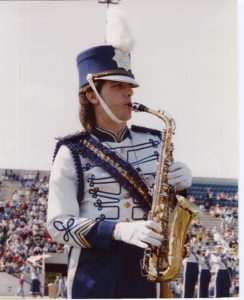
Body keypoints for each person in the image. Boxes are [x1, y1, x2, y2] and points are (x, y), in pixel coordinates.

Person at [47, 6, 192, 299]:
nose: (130, 93)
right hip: (95, 271)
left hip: (148, 267)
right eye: (118, 87)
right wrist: (117, 231)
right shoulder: (71, 151)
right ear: (91, 95)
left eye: (130, 87)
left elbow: (171, 210)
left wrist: (183, 189)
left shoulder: (156, 141)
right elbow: (58, 225)